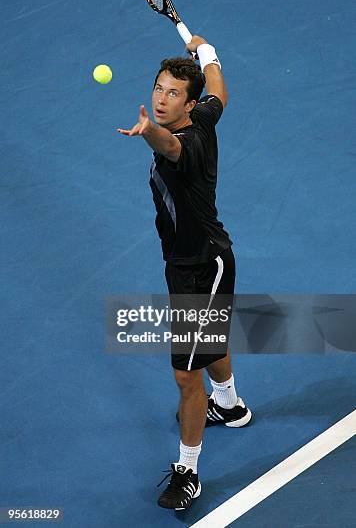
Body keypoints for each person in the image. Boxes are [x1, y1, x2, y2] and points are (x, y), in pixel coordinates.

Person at [118, 35, 252, 511]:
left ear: (188, 105)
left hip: (203, 268)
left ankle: (188, 472)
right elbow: (220, 92)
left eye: (173, 93)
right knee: (206, 343)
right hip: (186, 264)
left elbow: (170, 145)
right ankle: (231, 406)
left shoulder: (188, 141)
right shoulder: (207, 113)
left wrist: (146, 132)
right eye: (158, 88)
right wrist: (209, 51)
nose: (160, 97)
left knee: (184, 376)